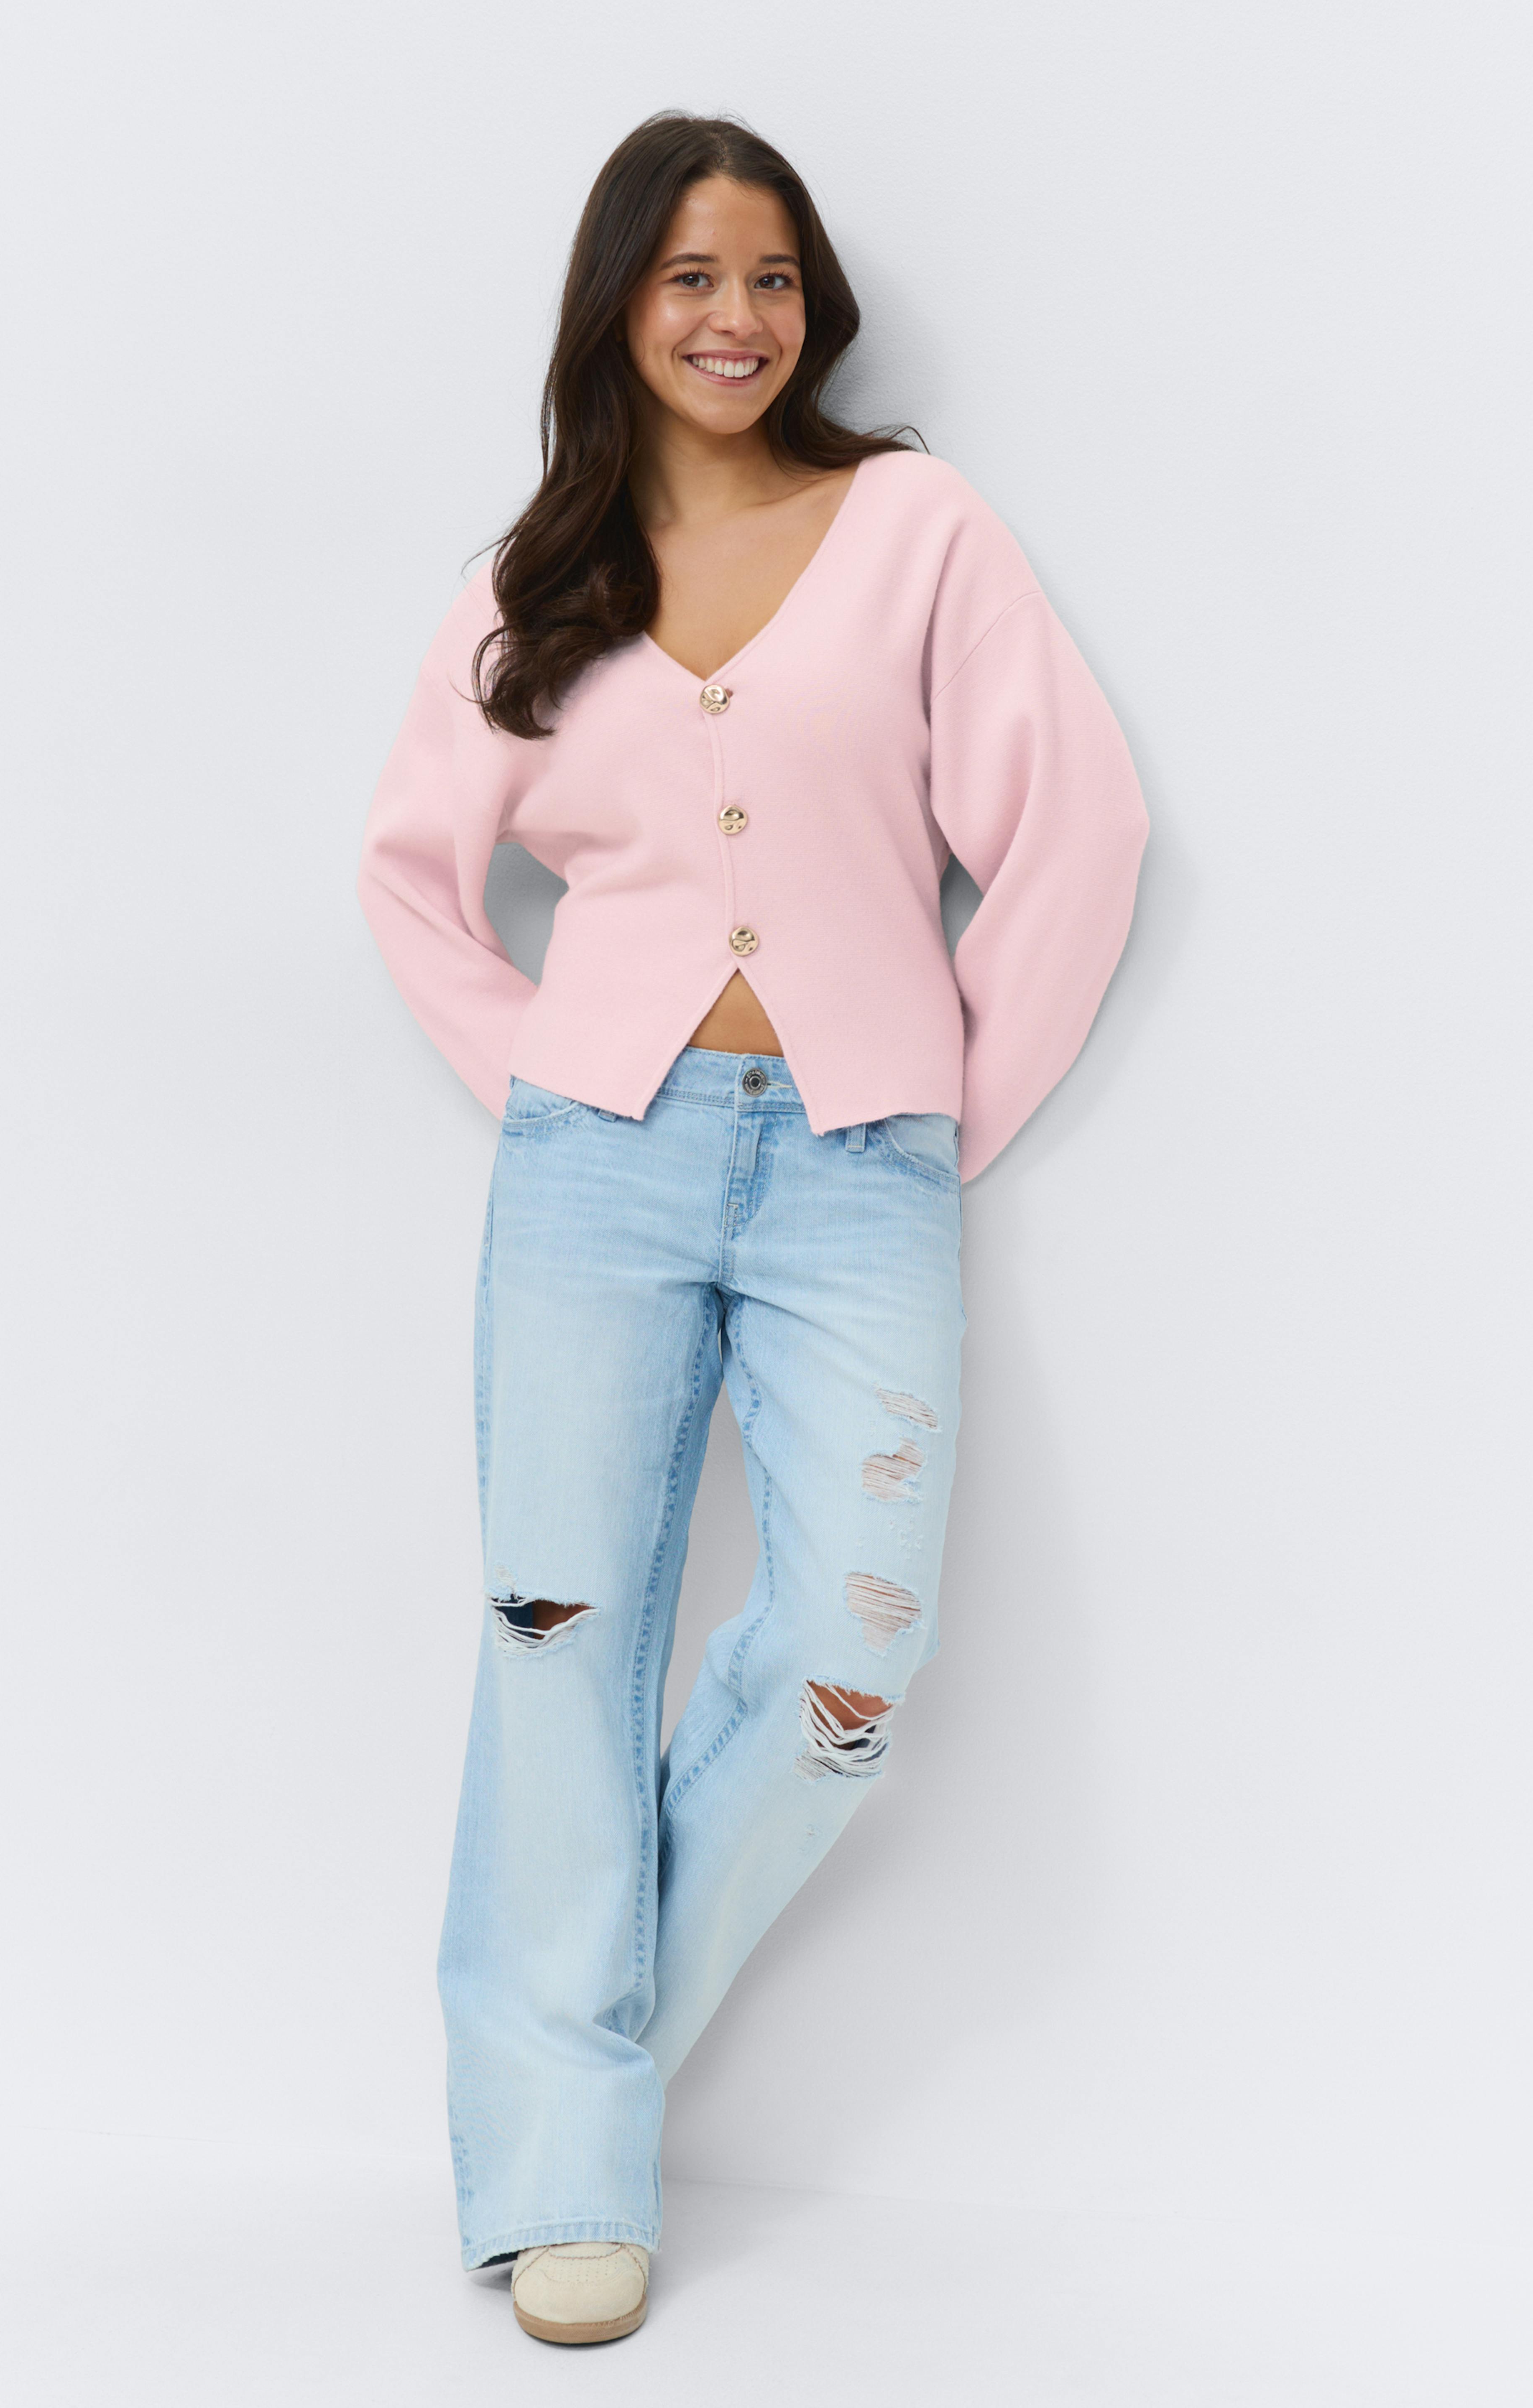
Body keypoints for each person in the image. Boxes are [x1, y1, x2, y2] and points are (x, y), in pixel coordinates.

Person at [357, 110, 1147, 2347]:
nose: (736, 316)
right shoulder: (540, 578)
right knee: (558, 1643)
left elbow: (1079, 827)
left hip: (860, 1164)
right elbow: (411, 875)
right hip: (591, 1167)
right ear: (621, 300)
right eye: (692, 275)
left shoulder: (915, 531)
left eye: (772, 276)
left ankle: (565, 2090)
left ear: (816, 306)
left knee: (849, 1660)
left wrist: (937, 1106)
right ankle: (565, 2167)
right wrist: (543, 1077)